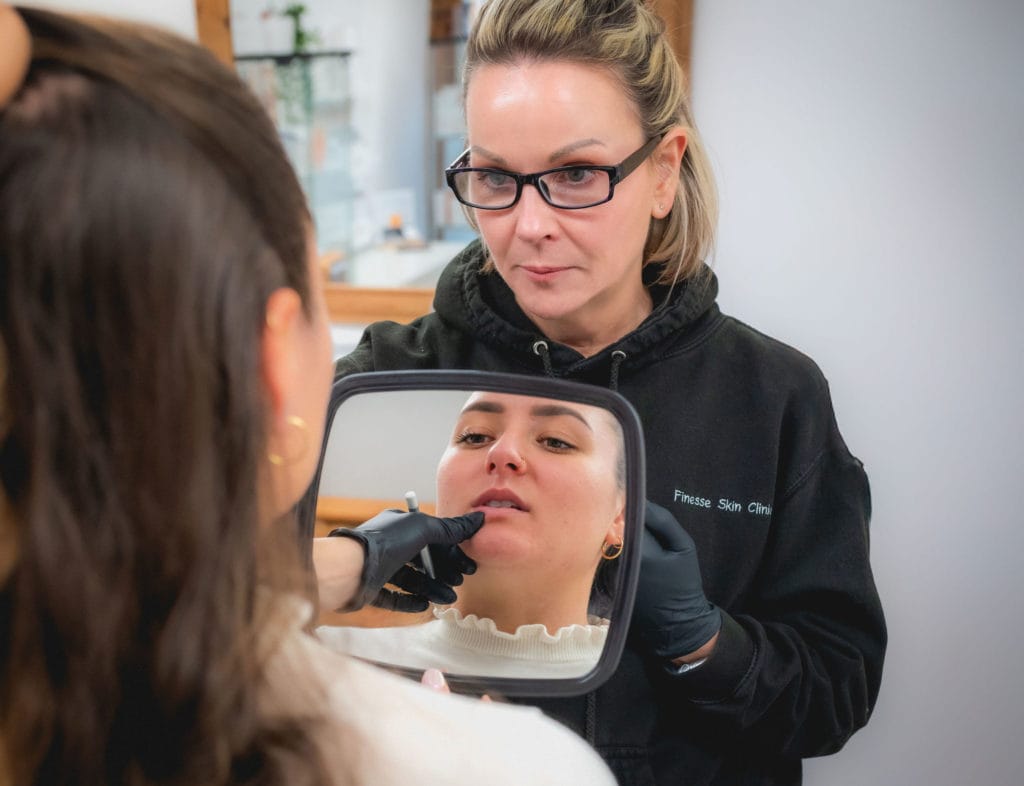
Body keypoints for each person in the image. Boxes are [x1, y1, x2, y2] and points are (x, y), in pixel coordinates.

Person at [0, 6, 620, 785]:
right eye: (470, 435)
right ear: (273, 360)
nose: (530, 225)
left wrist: (339, 565)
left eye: (557, 440)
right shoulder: (520, 767)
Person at [323, 0, 887, 783]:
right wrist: (343, 564)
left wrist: (702, 643)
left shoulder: (774, 398)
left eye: (576, 174)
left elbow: (839, 692)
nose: (529, 225)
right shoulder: (389, 374)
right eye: (494, 176)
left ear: (663, 171)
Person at [318, 391, 626, 678]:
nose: (501, 452)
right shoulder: (325, 658)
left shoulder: (653, 684)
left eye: (556, 441)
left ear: (619, 517)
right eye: (475, 436)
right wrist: (346, 559)